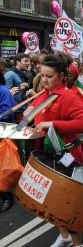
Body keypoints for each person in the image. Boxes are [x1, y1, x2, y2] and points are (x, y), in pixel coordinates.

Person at [23, 53, 83, 247]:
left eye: (49, 76)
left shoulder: (70, 96)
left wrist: (51, 123)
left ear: (62, 75)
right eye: (42, 75)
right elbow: (31, 114)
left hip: (67, 157)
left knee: (69, 205)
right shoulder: (43, 93)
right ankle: (64, 238)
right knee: (51, 202)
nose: (44, 80)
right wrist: (28, 117)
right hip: (45, 155)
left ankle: (78, 246)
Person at [0, 68, 16, 212]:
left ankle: (6, 197)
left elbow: (6, 114)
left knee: (3, 168)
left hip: (2, 135)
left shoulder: (3, 91)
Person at [4, 53, 31, 123]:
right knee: (17, 130)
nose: (28, 63)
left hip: (23, 109)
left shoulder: (23, 74)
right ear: (18, 62)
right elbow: (5, 94)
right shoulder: (10, 74)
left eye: (29, 61)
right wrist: (20, 88)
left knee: (22, 131)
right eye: (26, 61)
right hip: (16, 111)